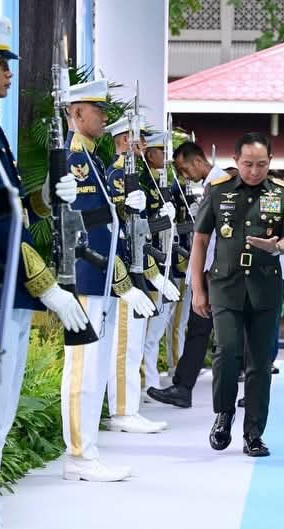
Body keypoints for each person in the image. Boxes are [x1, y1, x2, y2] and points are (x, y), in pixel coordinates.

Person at [0, 18, 92, 526]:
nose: (9, 71)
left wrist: (43, 200)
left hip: (3, 290)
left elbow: (7, 208)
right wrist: (48, 287)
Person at [61, 79, 157, 481]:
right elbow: (85, 229)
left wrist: (126, 205)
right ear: (76, 113)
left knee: (95, 369)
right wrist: (123, 282)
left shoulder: (92, 160)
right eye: (98, 110)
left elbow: (107, 222)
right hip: (87, 276)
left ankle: (88, 451)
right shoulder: (74, 160)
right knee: (83, 370)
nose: (103, 117)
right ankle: (79, 455)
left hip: (99, 278)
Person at [192, 133, 284, 456]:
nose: (254, 171)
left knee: (260, 362)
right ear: (236, 161)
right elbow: (200, 241)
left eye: (262, 164)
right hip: (225, 285)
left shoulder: (283, 194)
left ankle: (253, 432)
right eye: (248, 164)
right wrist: (198, 289)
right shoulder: (218, 190)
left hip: (265, 287)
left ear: (270, 162)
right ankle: (224, 414)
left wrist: (276, 246)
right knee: (227, 352)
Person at [102, 120, 177, 434]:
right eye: (138, 139)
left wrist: (162, 220)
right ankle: (122, 411)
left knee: (132, 345)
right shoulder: (117, 176)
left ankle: (129, 407)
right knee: (124, 346)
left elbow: (140, 233)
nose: (143, 146)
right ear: (123, 141)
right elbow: (119, 231)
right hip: (123, 271)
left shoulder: (137, 178)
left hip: (137, 266)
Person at [146, 150, 234, 410]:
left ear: (198, 161)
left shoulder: (222, 184)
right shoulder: (211, 186)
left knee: (216, 331)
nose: (185, 175)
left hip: (218, 269)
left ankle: (187, 387)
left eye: (185, 169)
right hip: (210, 267)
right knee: (199, 329)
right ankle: (183, 387)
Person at [139, 131, 188, 394]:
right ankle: (147, 382)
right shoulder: (144, 185)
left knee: (158, 328)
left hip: (166, 263)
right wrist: (162, 219)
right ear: (149, 155)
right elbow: (143, 228)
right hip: (150, 264)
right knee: (148, 331)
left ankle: (151, 380)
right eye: (161, 152)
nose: (166, 157)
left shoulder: (164, 185)